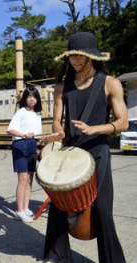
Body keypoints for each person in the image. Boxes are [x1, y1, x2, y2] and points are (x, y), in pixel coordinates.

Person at [40, 32, 127, 263]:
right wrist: (59, 131)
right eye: (72, 57)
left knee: (102, 208)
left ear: (92, 56)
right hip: (70, 151)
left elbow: (123, 122)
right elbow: (57, 119)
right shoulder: (62, 87)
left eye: (81, 56)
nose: (76, 61)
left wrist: (95, 129)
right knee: (59, 204)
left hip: (98, 151)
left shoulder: (110, 83)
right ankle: (57, 255)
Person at [7, 86, 42, 223]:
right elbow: (10, 130)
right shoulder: (21, 112)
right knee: (22, 180)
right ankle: (19, 211)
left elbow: (37, 135)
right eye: (28, 96)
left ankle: (26, 208)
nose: (31, 99)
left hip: (32, 146)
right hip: (20, 145)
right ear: (25, 99)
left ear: (37, 99)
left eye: (34, 96)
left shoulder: (38, 115)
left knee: (29, 179)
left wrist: (42, 140)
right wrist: (23, 134)